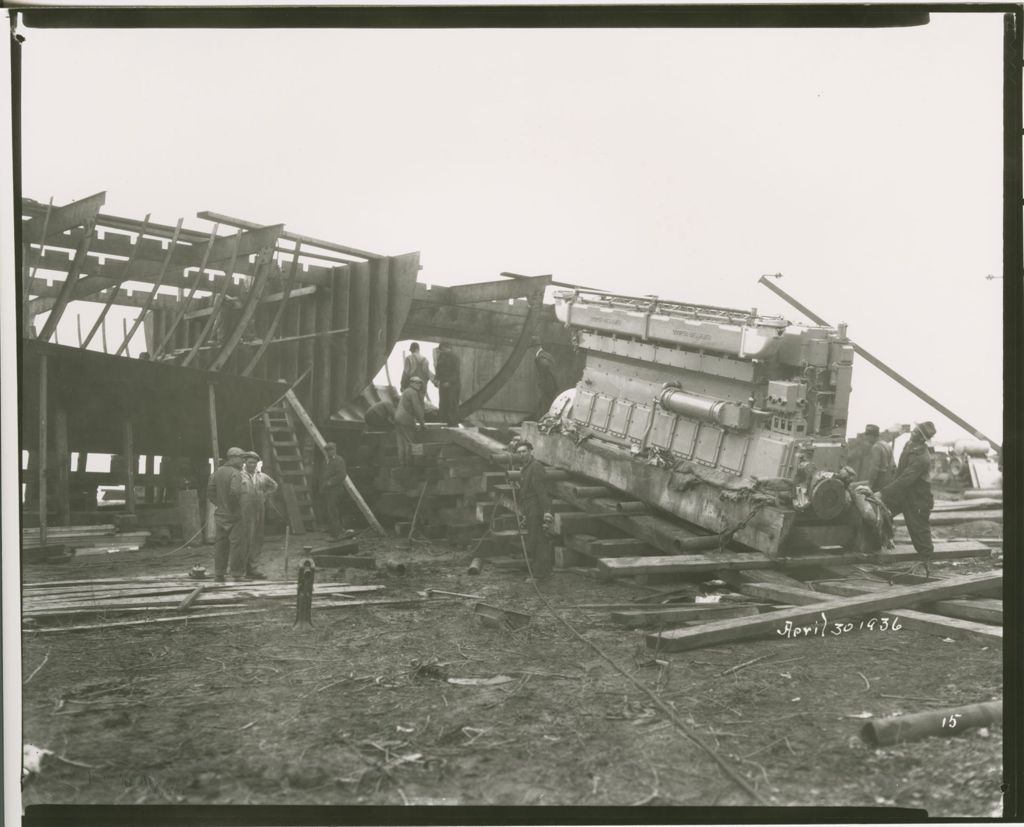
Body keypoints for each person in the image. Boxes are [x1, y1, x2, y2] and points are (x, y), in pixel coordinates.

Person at [879, 421, 936, 562]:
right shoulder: (909, 445)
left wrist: (883, 492)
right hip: (903, 493)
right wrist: (887, 491)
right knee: (881, 510)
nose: (912, 433)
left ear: (923, 439)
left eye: (916, 432)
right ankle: (879, 543)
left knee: (919, 531)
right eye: (914, 430)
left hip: (918, 498)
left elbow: (905, 479)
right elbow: (899, 472)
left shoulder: (922, 458)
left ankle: (926, 560)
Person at [514, 441, 554, 580]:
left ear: (531, 452)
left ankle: (539, 574)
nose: (521, 454)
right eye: (519, 452)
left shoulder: (535, 467)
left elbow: (541, 491)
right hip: (529, 507)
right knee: (535, 539)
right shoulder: (525, 468)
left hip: (536, 507)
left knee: (538, 540)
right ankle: (544, 571)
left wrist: (547, 511)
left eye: (524, 451)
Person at [207, 446, 246, 582]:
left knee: (220, 544)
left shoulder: (216, 472)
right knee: (237, 544)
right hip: (234, 516)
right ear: (233, 458)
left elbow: (210, 493)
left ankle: (219, 573)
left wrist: (221, 505)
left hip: (220, 515)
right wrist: (235, 509)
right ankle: (236, 574)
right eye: (241, 458)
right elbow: (234, 492)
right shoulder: (236, 473)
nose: (243, 461)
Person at [238, 452, 278, 579]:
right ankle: (241, 569)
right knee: (244, 539)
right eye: (249, 462)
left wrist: (265, 494)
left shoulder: (262, 476)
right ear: (245, 463)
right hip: (244, 512)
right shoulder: (239, 476)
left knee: (257, 538)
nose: (252, 465)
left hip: (259, 511)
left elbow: (274, 486)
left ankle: (253, 568)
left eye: (254, 463)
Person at [394, 376, 427, 463]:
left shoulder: (406, 391)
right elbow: (417, 408)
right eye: (417, 383)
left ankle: (402, 463)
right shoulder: (413, 393)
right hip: (405, 420)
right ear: (411, 383)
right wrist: (422, 423)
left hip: (398, 419)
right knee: (413, 441)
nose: (419, 385)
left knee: (401, 442)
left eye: (420, 383)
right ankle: (415, 463)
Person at [320, 442, 349, 540]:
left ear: (335, 450)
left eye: (332, 450)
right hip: (327, 491)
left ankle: (337, 533)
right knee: (329, 510)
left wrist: (330, 482)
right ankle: (335, 531)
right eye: (328, 450)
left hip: (335, 490)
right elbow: (322, 476)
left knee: (333, 510)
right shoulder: (325, 462)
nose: (330, 452)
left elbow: (342, 475)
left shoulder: (339, 460)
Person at [433, 341, 462, 427]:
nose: (441, 351)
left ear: (447, 347)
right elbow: (438, 369)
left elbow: (456, 372)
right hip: (443, 383)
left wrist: (449, 382)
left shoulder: (455, 357)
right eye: (440, 350)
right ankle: (443, 423)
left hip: (453, 385)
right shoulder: (441, 356)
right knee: (442, 403)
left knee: (452, 404)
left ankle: (452, 424)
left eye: (442, 349)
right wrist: (436, 379)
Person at [860, 424, 895, 492]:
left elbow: (874, 468)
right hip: (888, 480)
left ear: (872, 436)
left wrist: (870, 485)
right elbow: (893, 465)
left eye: (867, 435)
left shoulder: (876, 447)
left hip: (879, 481)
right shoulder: (886, 445)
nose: (866, 438)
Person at [532, 336, 559, 419]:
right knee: (547, 406)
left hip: (546, 386)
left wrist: (541, 381)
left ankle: (543, 423)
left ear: (535, 347)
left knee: (545, 407)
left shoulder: (539, 357)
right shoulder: (548, 355)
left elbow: (545, 365)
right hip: (553, 385)